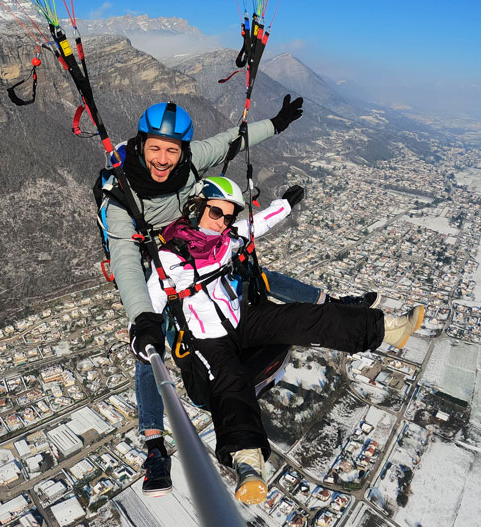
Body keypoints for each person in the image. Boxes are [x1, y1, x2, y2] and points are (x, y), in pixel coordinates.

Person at [100, 98, 376, 497]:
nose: (163, 159)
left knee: (251, 272)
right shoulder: (122, 200)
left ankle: (331, 306)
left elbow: (234, 139)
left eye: (171, 150)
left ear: (182, 151)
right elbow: (125, 260)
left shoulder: (192, 159)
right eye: (155, 148)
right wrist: (142, 316)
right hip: (155, 263)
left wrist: (277, 124)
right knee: (148, 348)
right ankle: (155, 447)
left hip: (197, 236)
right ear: (142, 145)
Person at [143, 176, 425, 504]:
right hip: (205, 338)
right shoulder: (169, 257)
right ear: (196, 208)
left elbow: (255, 225)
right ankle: (248, 464)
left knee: (303, 317)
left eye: (229, 216)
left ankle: (389, 329)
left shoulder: (225, 239)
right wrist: (146, 334)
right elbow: (150, 304)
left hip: (240, 319)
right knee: (230, 380)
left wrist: (286, 206)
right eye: (216, 213)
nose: (223, 222)